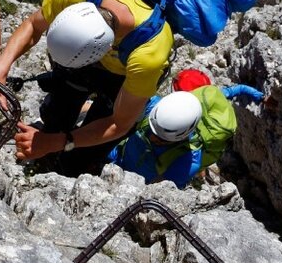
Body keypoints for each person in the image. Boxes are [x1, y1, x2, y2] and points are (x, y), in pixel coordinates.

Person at [0, 0, 176, 175]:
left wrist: (57, 143)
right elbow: (33, 24)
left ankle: (70, 164)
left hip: (123, 76)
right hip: (84, 63)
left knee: (80, 159)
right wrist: (1, 68)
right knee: (57, 114)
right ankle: (53, 147)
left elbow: (118, 123)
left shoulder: (148, 52)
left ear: (109, 48)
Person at [108, 68, 256, 189]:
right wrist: (243, 89)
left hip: (131, 182)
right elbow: (222, 93)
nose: (153, 136)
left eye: (160, 137)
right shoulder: (163, 108)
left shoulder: (188, 159)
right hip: (119, 162)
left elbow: (165, 190)